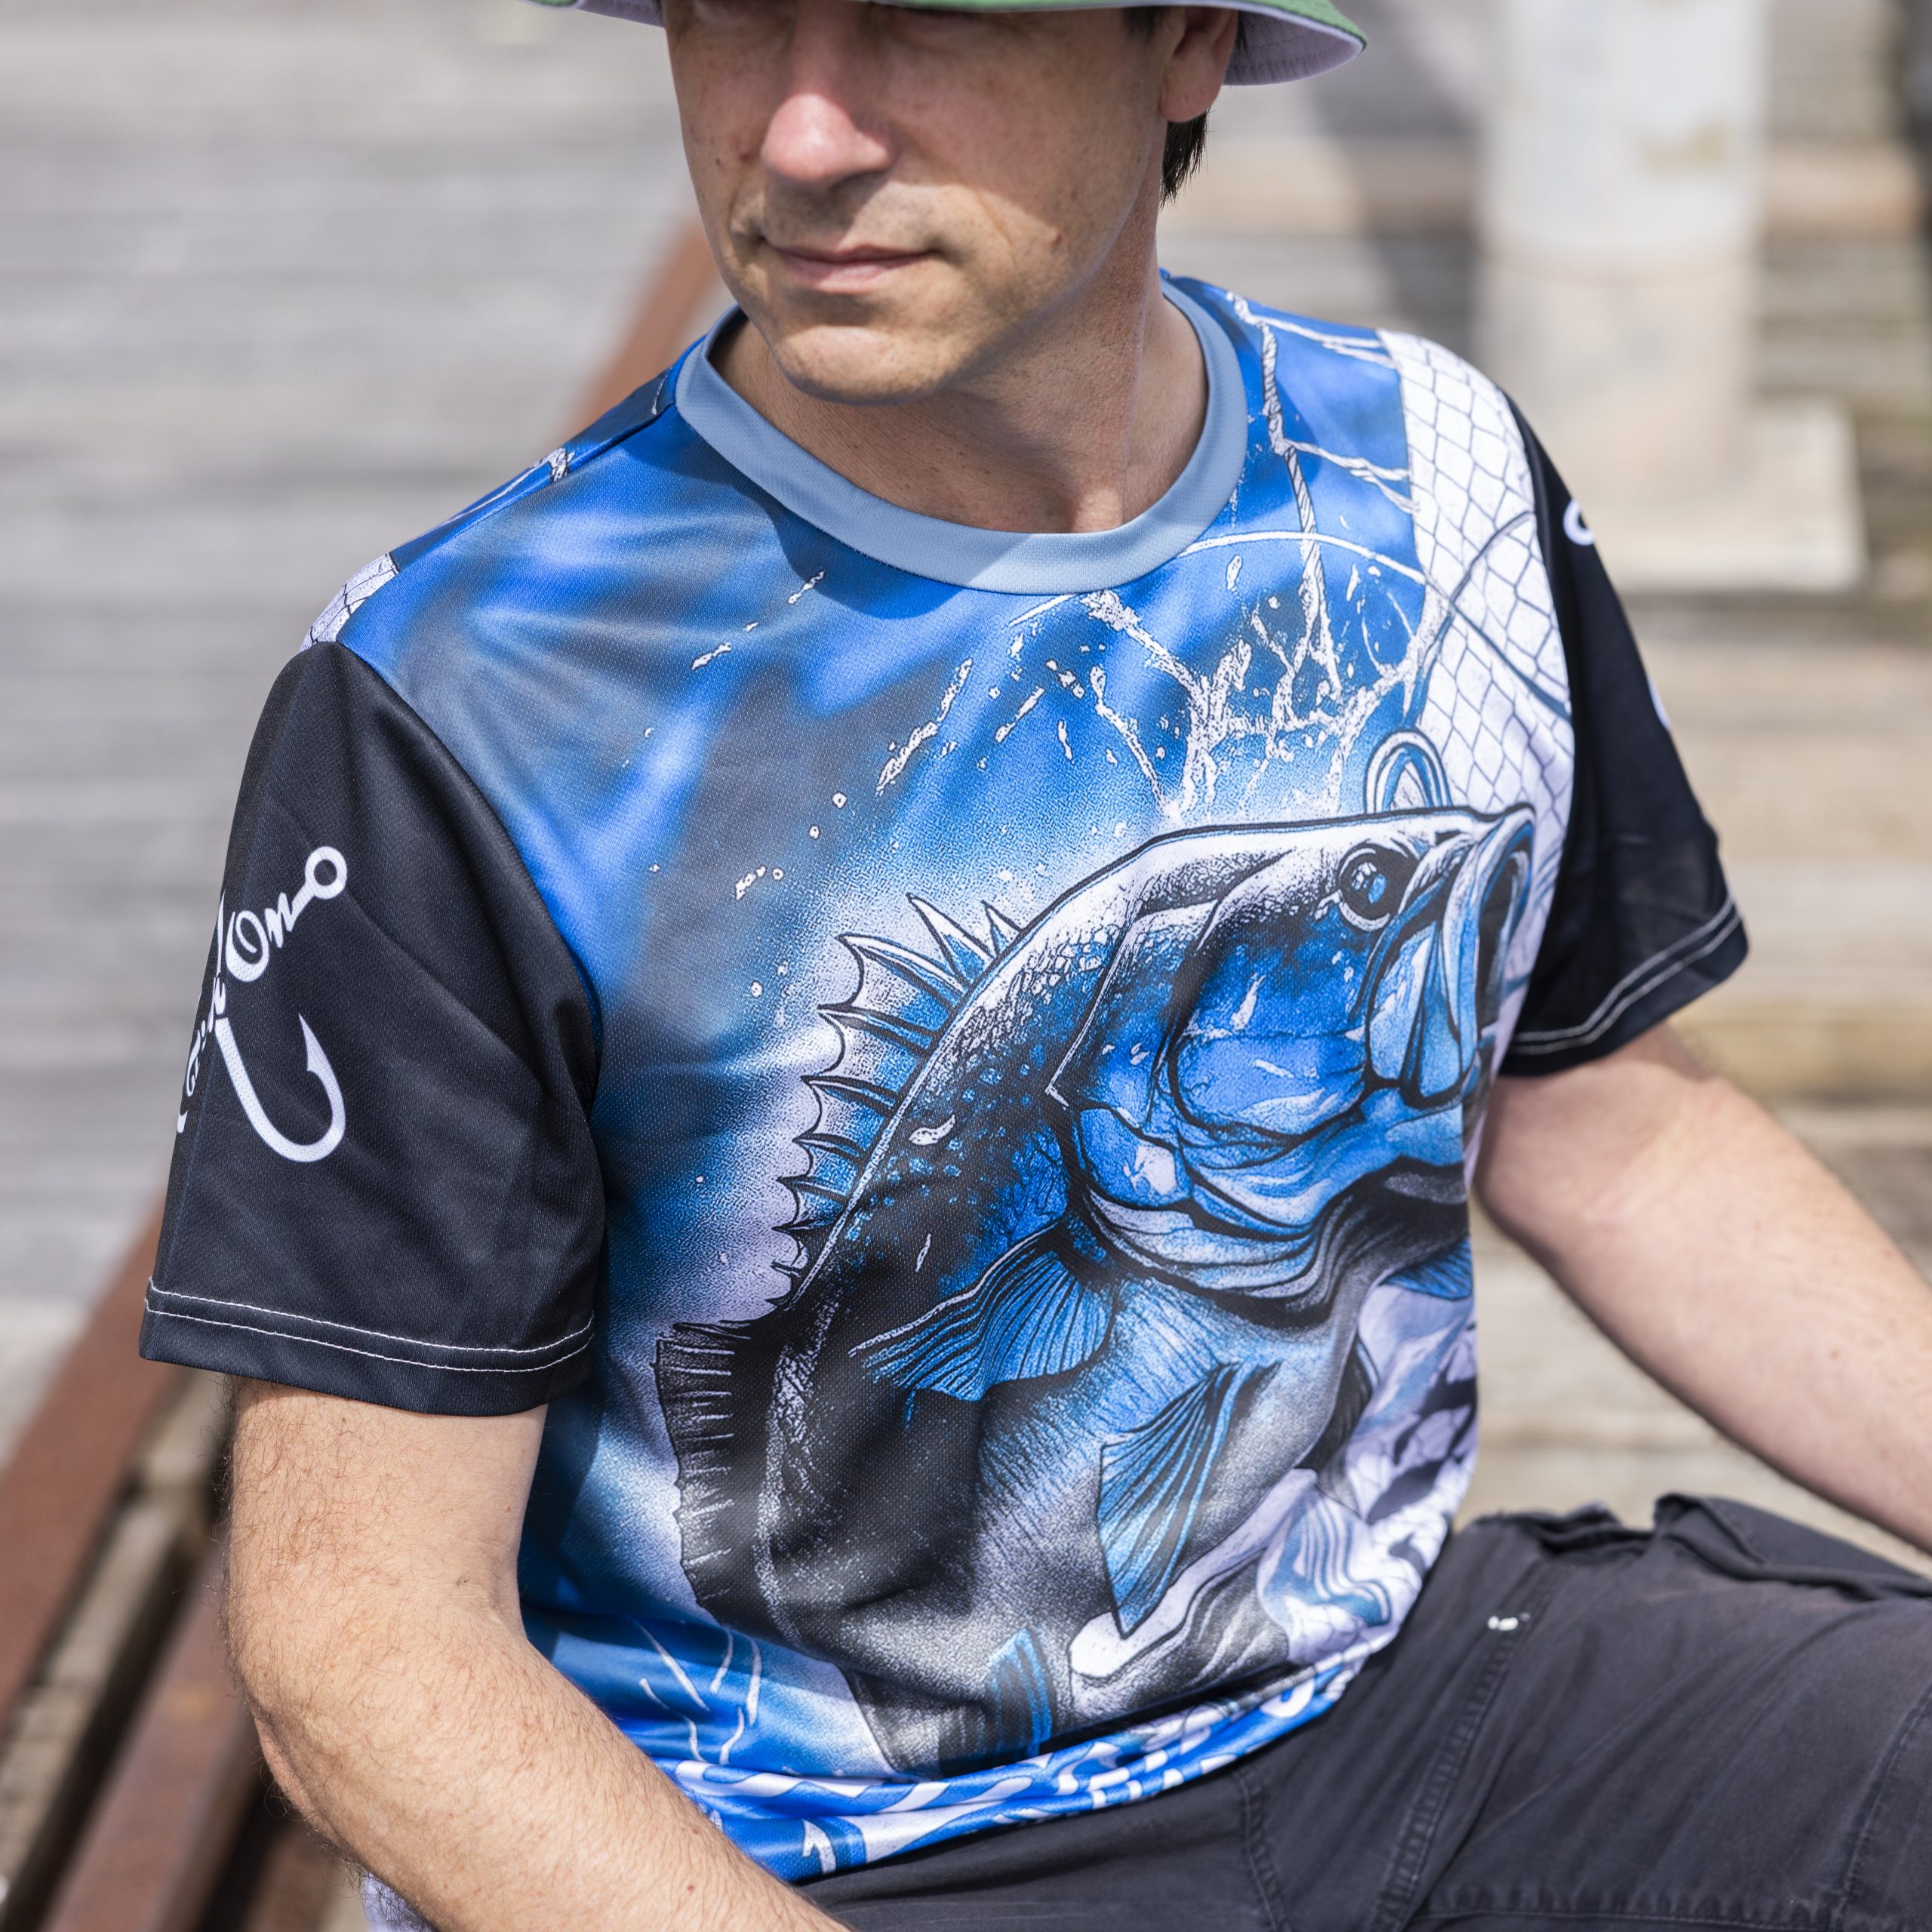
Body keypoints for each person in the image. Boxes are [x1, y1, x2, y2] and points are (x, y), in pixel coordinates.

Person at [141, 0, 1932, 1924]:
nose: (802, 133)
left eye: (933, 16)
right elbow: (360, 1644)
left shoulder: (1434, 477)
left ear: (1185, 44)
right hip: (796, 1846)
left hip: (1391, 1690)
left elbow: (1612, 1137)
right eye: (732, 11)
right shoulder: (461, 692)